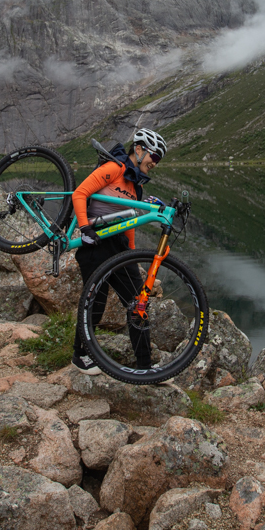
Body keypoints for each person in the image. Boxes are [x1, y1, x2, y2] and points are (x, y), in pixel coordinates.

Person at [69, 127, 167, 376]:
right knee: (95, 304)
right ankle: (79, 356)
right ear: (138, 149)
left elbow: (130, 225)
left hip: (119, 248)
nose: (154, 164)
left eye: (158, 161)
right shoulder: (114, 169)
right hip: (94, 243)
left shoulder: (136, 187)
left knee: (138, 305)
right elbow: (79, 194)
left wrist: (133, 256)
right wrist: (83, 228)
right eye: (153, 158)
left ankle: (145, 366)